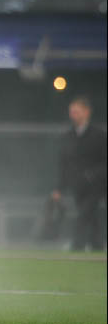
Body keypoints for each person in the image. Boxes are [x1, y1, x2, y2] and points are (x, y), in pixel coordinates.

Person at [51, 95, 107, 251]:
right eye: (72, 112)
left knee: (83, 215)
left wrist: (92, 175)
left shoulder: (99, 135)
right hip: (78, 186)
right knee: (92, 217)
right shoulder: (68, 137)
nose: (73, 115)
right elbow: (63, 165)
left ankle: (77, 246)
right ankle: (97, 247)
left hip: (97, 186)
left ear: (87, 112)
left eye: (76, 111)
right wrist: (59, 188)